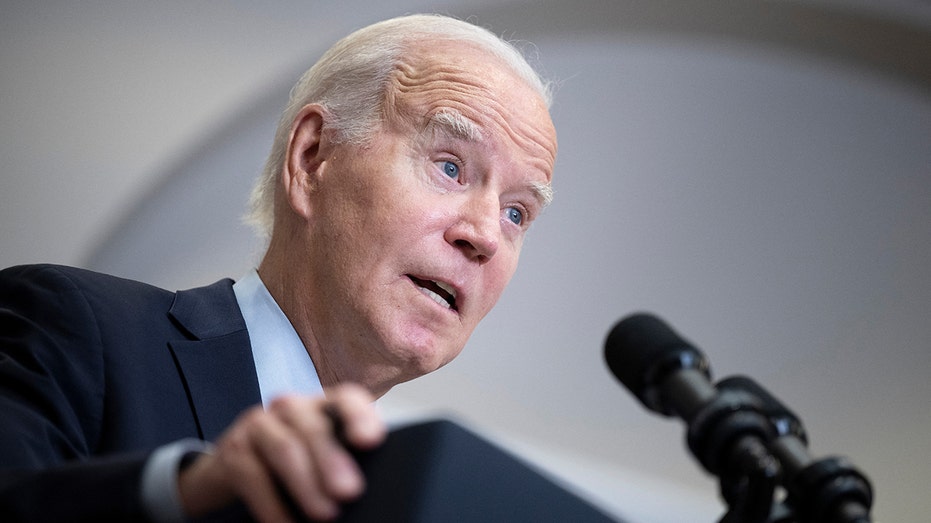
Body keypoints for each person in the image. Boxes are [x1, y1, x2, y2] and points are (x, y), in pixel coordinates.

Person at [0, 13, 557, 522]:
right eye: (450, 166)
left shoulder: (409, 498)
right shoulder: (76, 327)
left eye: (516, 213)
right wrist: (189, 490)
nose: (484, 234)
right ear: (312, 158)